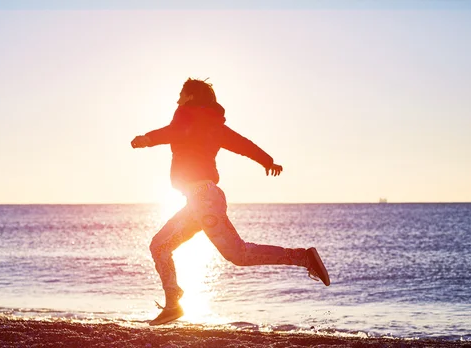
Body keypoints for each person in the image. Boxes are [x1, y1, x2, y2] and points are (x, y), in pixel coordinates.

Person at [131, 78, 330, 326]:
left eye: (181, 94)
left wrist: (147, 139)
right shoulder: (214, 125)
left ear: (191, 97)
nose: (177, 99)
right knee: (159, 246)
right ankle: (173, 304)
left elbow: (175, 132)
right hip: (199, 200)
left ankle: (303, 258)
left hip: (203, 199)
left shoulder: (185, 117)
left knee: (239, 254)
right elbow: (242, 144)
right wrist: (267, 161)